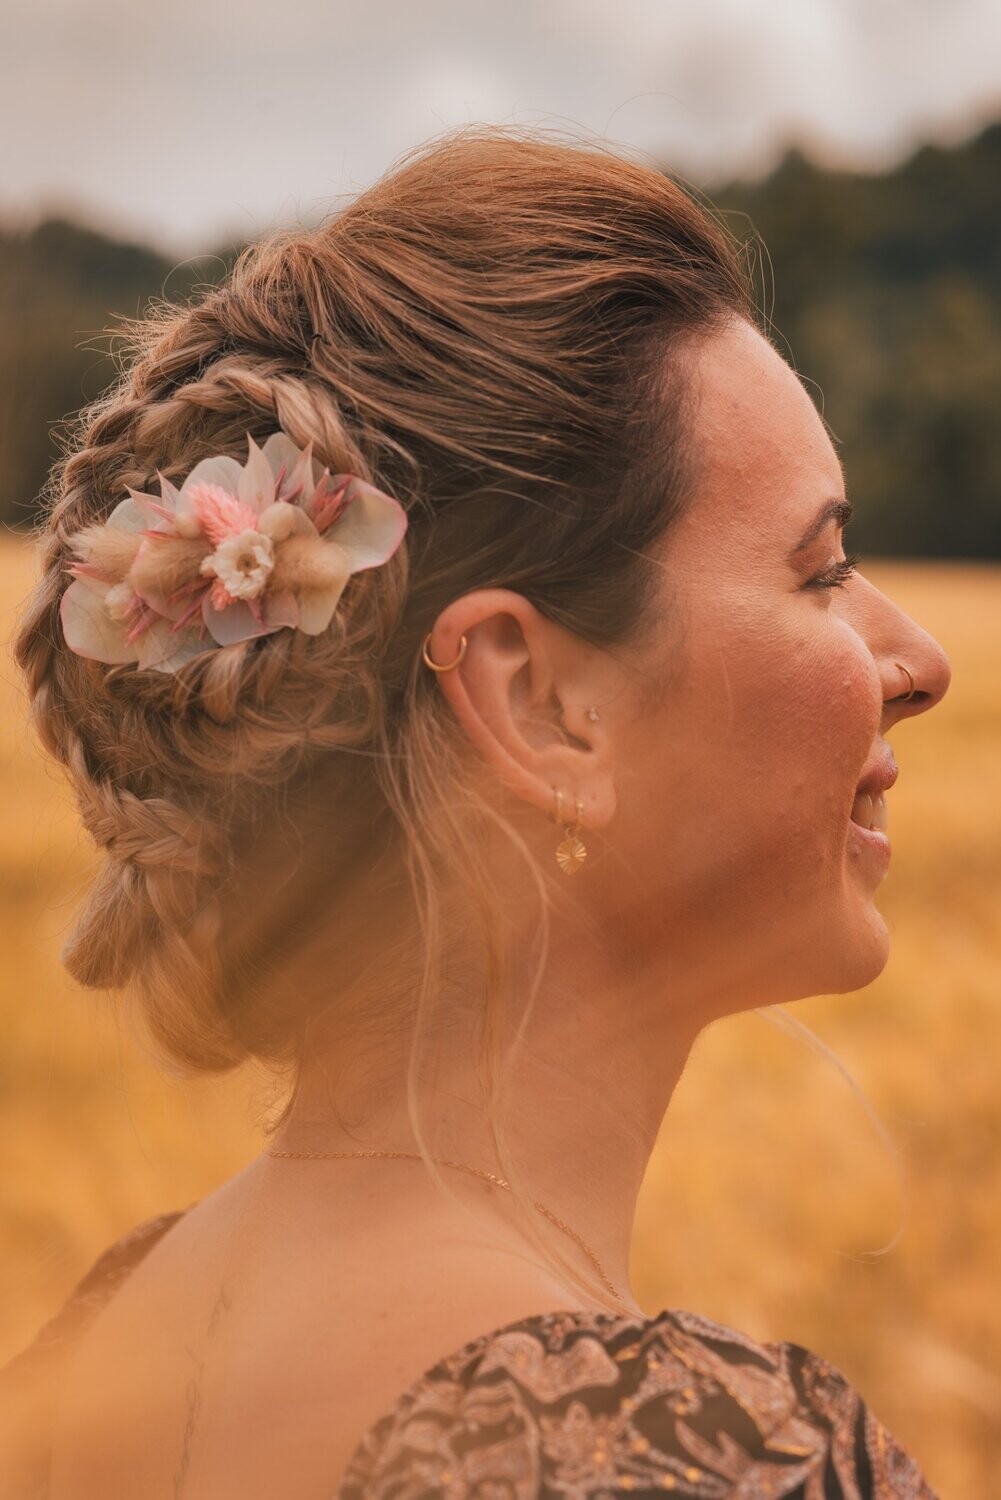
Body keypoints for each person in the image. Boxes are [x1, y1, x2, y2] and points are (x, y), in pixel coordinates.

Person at [2, 126, 951, 1498]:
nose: (916, 663)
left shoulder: (101, 1348)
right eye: (820, 571)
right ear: (533, 703)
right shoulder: (666, 1458)